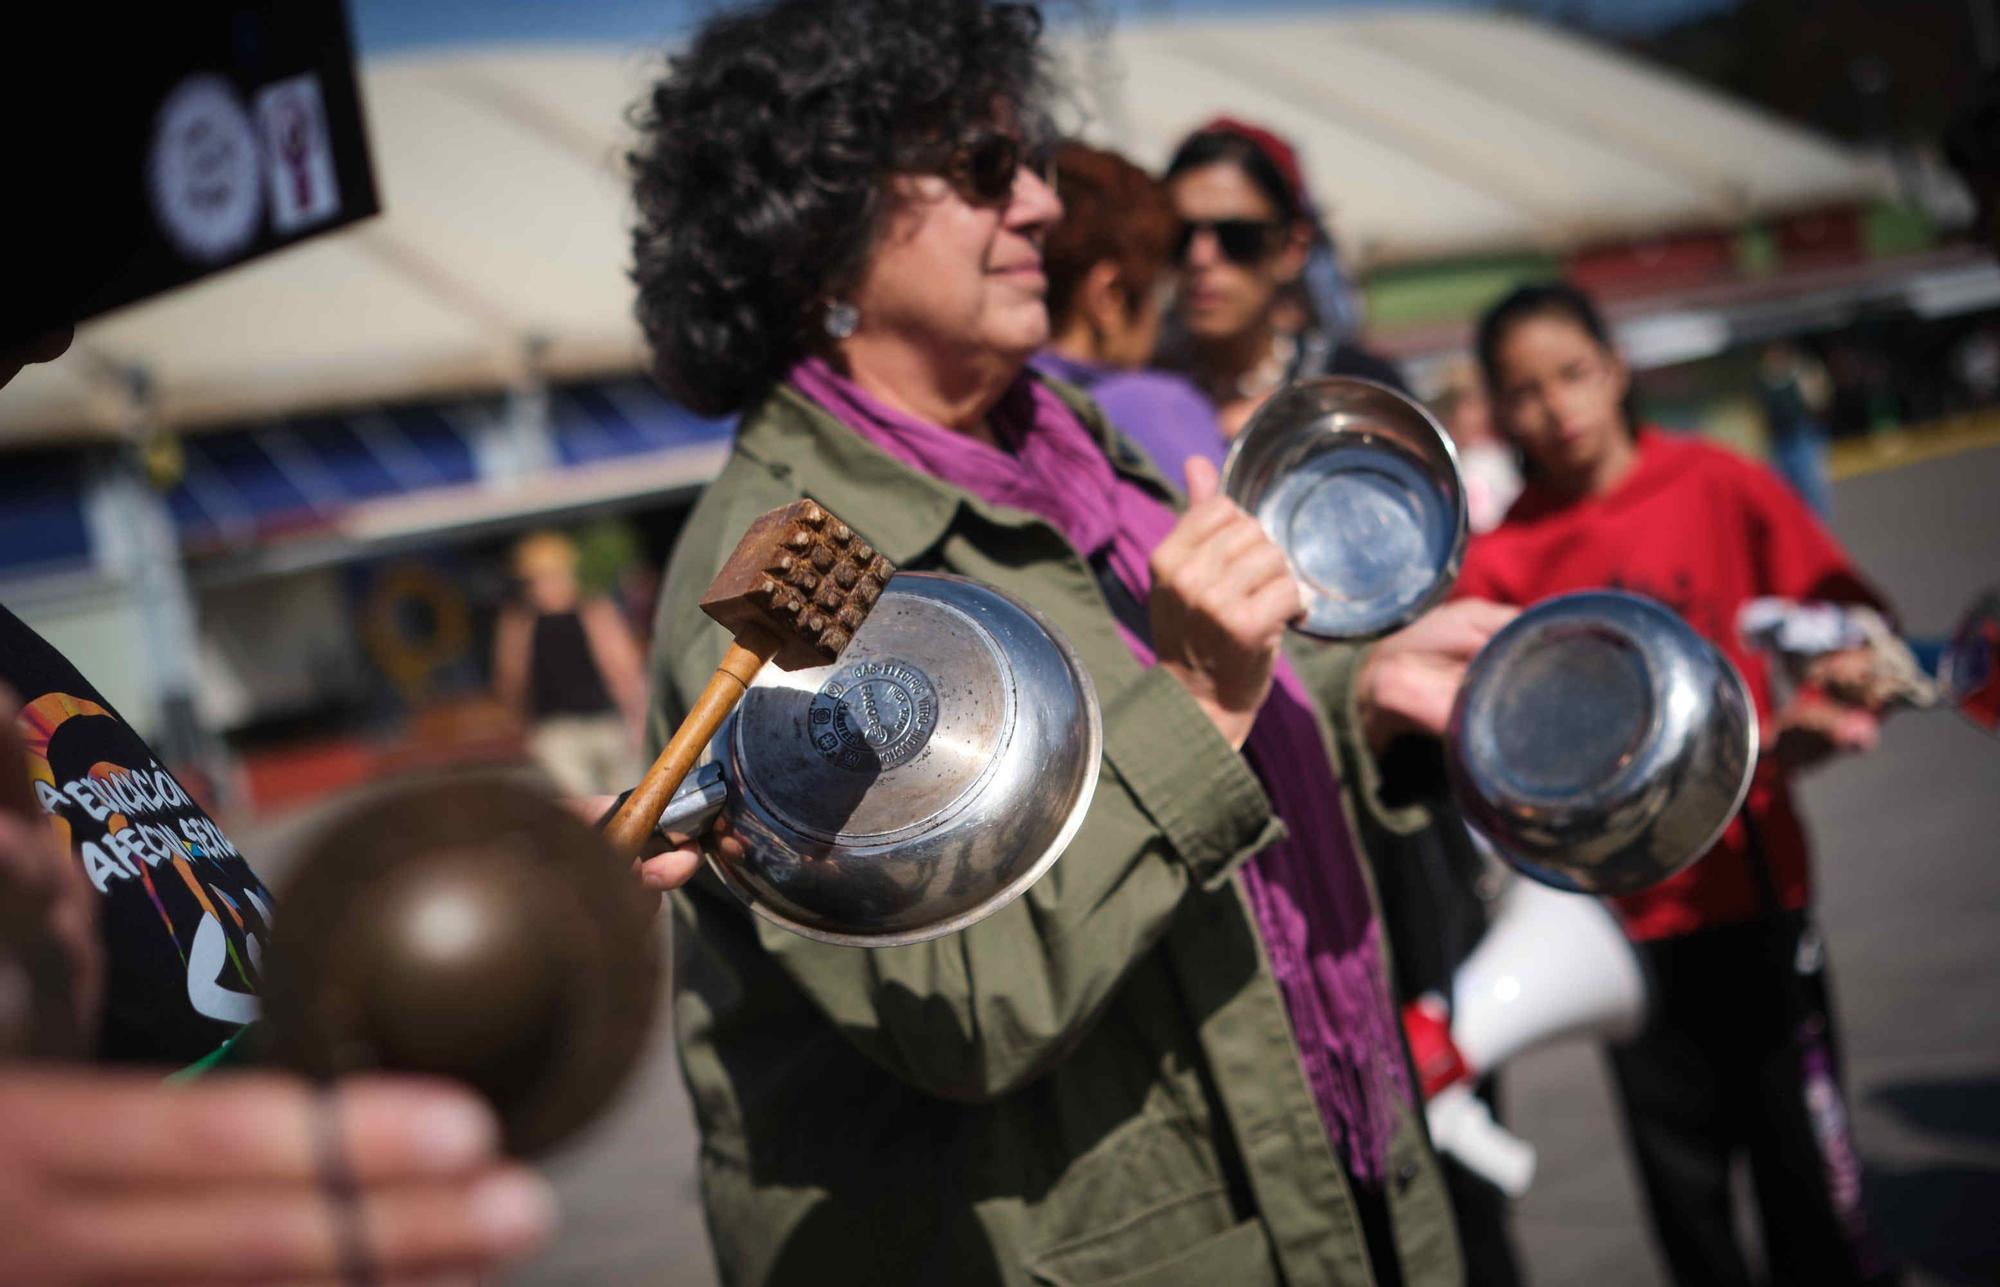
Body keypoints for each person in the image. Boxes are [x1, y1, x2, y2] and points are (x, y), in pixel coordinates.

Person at [630, 2, 1520, 1282]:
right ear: (816, 226)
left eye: (1035, 159)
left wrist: (1355, 690)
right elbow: (962, 1002)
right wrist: (1208, 703)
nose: (1044, 203)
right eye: (987, 170)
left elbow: (1141, 701)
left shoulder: (1061, 441)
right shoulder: (779, 572)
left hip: (1330, 1179)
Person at [1455, 282, 1901, 1287]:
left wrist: (1834, 699)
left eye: (1571, 375)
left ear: (1613, 369)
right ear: (1495, 409)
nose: (1555, 409)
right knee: (1684, 1202)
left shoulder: (1716, 484)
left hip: (1756, 890)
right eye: (1521, 392)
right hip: (1616, 937)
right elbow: (1475, 738)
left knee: (1808, 1184)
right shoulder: (1500, 557)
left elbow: (1844, 627)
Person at [1159, 117, 1409, 437]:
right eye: (1180, 235)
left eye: (1237, 237)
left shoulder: (1360, 390)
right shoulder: (1129, 392)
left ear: (1292, 248)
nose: (1200, 258)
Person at [1032, 140, 1227, 475]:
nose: (1161, 319)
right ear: (1110, 298)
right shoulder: (1153, 405)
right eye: (1157, 293)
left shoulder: (996, 398)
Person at [493, 529, 648, 796]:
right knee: (592, 811)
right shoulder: (522, 622)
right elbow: (511, 681)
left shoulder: (592, 611)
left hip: (604, 724)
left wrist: (636, 718)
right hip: (558, 732)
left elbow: (623, 670)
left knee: (627, 806)